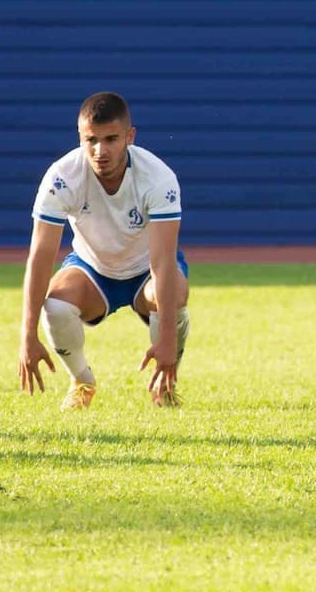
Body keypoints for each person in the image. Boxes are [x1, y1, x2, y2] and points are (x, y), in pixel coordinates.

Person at [19, 92, 189, 409]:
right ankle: (82, 381)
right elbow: (40, 257)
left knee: (175, 292)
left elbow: (164, 262)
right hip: (92, 268)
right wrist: (27, 335)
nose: (100, 151)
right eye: (91, 140)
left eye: (111, 139)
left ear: (130, 136)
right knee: (54, 307)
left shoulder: (159, 178)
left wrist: (166, 340)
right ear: (80, 138)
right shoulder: (61, 177)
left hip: (145, 272)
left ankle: (165, 385)